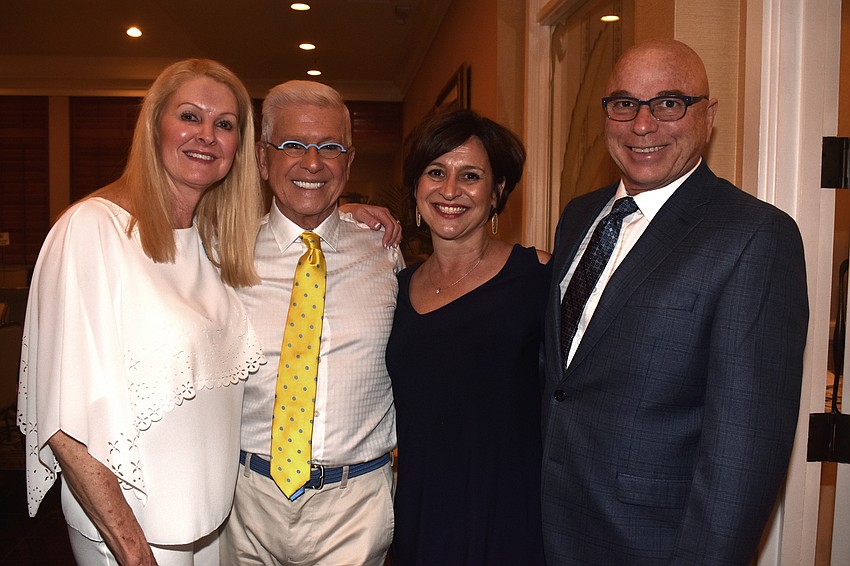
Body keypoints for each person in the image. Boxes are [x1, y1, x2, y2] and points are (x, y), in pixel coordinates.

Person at [541, 39, 809, 565]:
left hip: (655, 545)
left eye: (668, 103)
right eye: (624, 103)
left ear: (708, 117)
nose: (642, 125)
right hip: (552, 526)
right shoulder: (579, 215)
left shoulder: (755, 237)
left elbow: (744, 447)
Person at [17, 58, 266, 565]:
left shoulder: (215, 243)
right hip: (133, 540)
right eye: (190, 116)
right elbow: (64, 426)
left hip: (213, 526)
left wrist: (346, 214)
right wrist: (134, 553)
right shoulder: (90, 231)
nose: (207, 136)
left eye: (225, 124)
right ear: (154, 126)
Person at [220, 80, 404, 566]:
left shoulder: (384, 251)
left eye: (330, 147)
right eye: (293, 145)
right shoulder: (223, 254)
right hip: (245, 502)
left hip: (355, 505)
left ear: (349, 161)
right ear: (263, 160)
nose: (313, 162)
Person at [386, 109, 550, 565]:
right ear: (416, 186)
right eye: (436, 172)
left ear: (497, 192)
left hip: (509, 517)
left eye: (471, 175)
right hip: (419, 512)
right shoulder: (393, 288)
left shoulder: (538, 278)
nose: (451, 190)